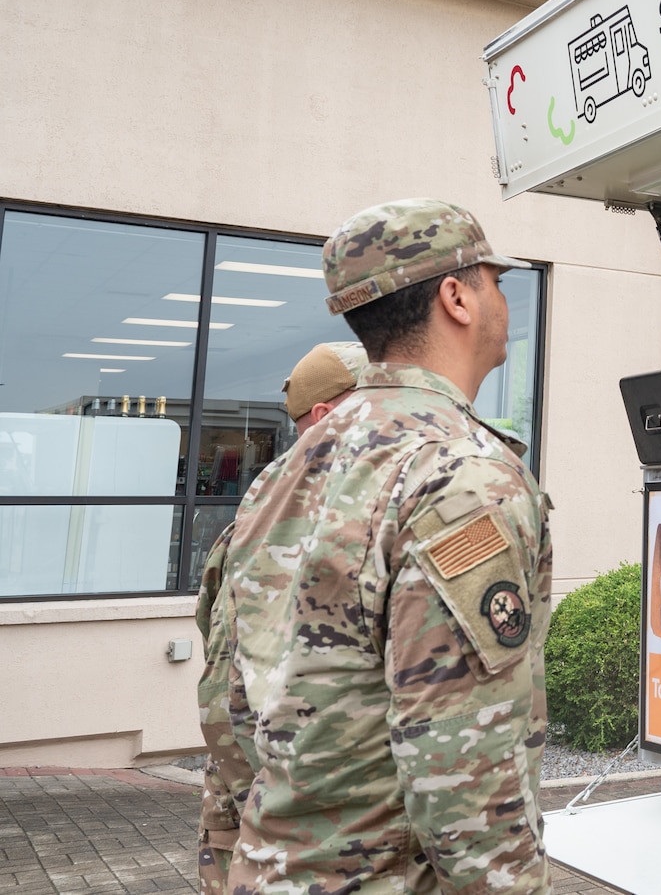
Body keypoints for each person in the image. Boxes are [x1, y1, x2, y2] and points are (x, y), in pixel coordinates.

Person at [213, 199, 551, 895]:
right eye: (496, 281)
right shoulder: (460, 474)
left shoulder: (282, 476)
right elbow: (463, 766)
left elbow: (228, 704)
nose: (504, 302)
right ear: (456, 296)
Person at [192, 341, 369, 895]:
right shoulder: (299, 525)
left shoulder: (282, 510)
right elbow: (231, 696)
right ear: (325, 418)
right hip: (293, 840)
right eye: (375, 404)